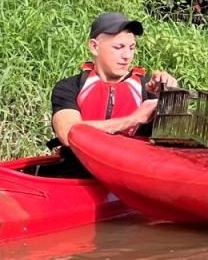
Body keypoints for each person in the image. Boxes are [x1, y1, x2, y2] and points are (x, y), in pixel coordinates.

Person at [50, 12, 179, 157]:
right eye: (118, 47)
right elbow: (68, 133)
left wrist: (168, 97)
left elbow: (173, 139)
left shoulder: (147, 88)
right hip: (79, 167)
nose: (127, 56)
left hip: (130, 167)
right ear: (94, 47)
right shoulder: (69, 87)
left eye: (131, 48)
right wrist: (133, 119)